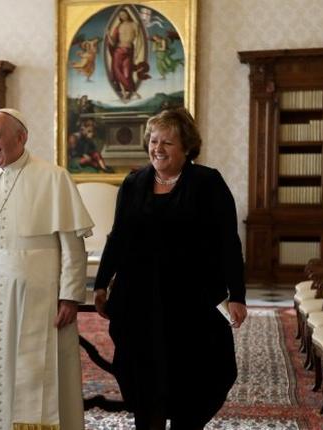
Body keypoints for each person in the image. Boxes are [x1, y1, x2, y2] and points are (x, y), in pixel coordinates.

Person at [93, 107, 247, 429]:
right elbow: (117, 237)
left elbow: (228, 242)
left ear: (187, 147)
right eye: (153, 141)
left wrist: (238, 295)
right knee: (145, 386)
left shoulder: (208, 183)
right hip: (140, 304)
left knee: (193, 384)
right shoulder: (134, 183)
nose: (157, 149)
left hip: (192, 306)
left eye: (167, 143)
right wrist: (101, 283)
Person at [0, 108, 94, 430]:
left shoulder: (53, 177)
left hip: (40, 299)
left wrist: (70, 297)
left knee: (41, 373)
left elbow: (73, 247)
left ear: (21, 137)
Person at [106, 8, 145, 101]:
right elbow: (112, 43)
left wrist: (137, 52)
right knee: (117, 71)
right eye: (120, 15)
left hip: (129, 50)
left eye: (124, 14)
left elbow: (139, 41)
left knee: (127, 73)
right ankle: (125, 93)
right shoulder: (118, 27)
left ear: (128, 14)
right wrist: (108, 35)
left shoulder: (134, 25)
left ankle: (132, 91)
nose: (122, 16)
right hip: (118, 51)